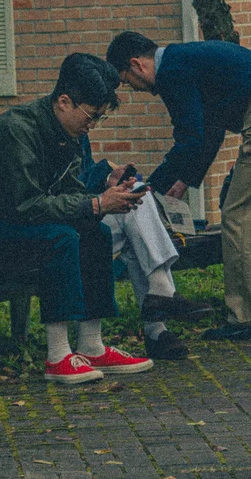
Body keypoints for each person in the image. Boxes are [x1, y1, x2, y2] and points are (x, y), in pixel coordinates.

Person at [0, 53, 154, 385]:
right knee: (59, 238)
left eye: (99, 119)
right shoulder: (15, 130)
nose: (92, 125)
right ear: (64, 101)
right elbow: (26, 206)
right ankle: (58, 355)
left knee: (96, 234)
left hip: (5, 225)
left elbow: (67, 196)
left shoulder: (70, 134)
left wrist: (106, 199)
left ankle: (92, 345)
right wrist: (95, 204)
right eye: (91, 117)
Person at [106, 31, 251, 341]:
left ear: (137, 65)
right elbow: (211, 128)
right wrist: (187, 179)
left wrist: (151, 186)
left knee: (242, 214)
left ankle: (249, 318)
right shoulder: (187, 59)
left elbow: (189, 138)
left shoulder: (171, 73)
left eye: (127, 81)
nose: (133, 88)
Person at [74, 66, 215, 360]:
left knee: (136, 198)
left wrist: (109, 179)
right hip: (70, 227)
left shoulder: (78, 129)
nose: (95, 122)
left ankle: (158, 317)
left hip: (87, 217)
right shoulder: (57, 129)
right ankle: (158, 320)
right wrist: (104, 179)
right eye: (94, 114)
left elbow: (82, 178)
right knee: (134, 221)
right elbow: (68, 191)